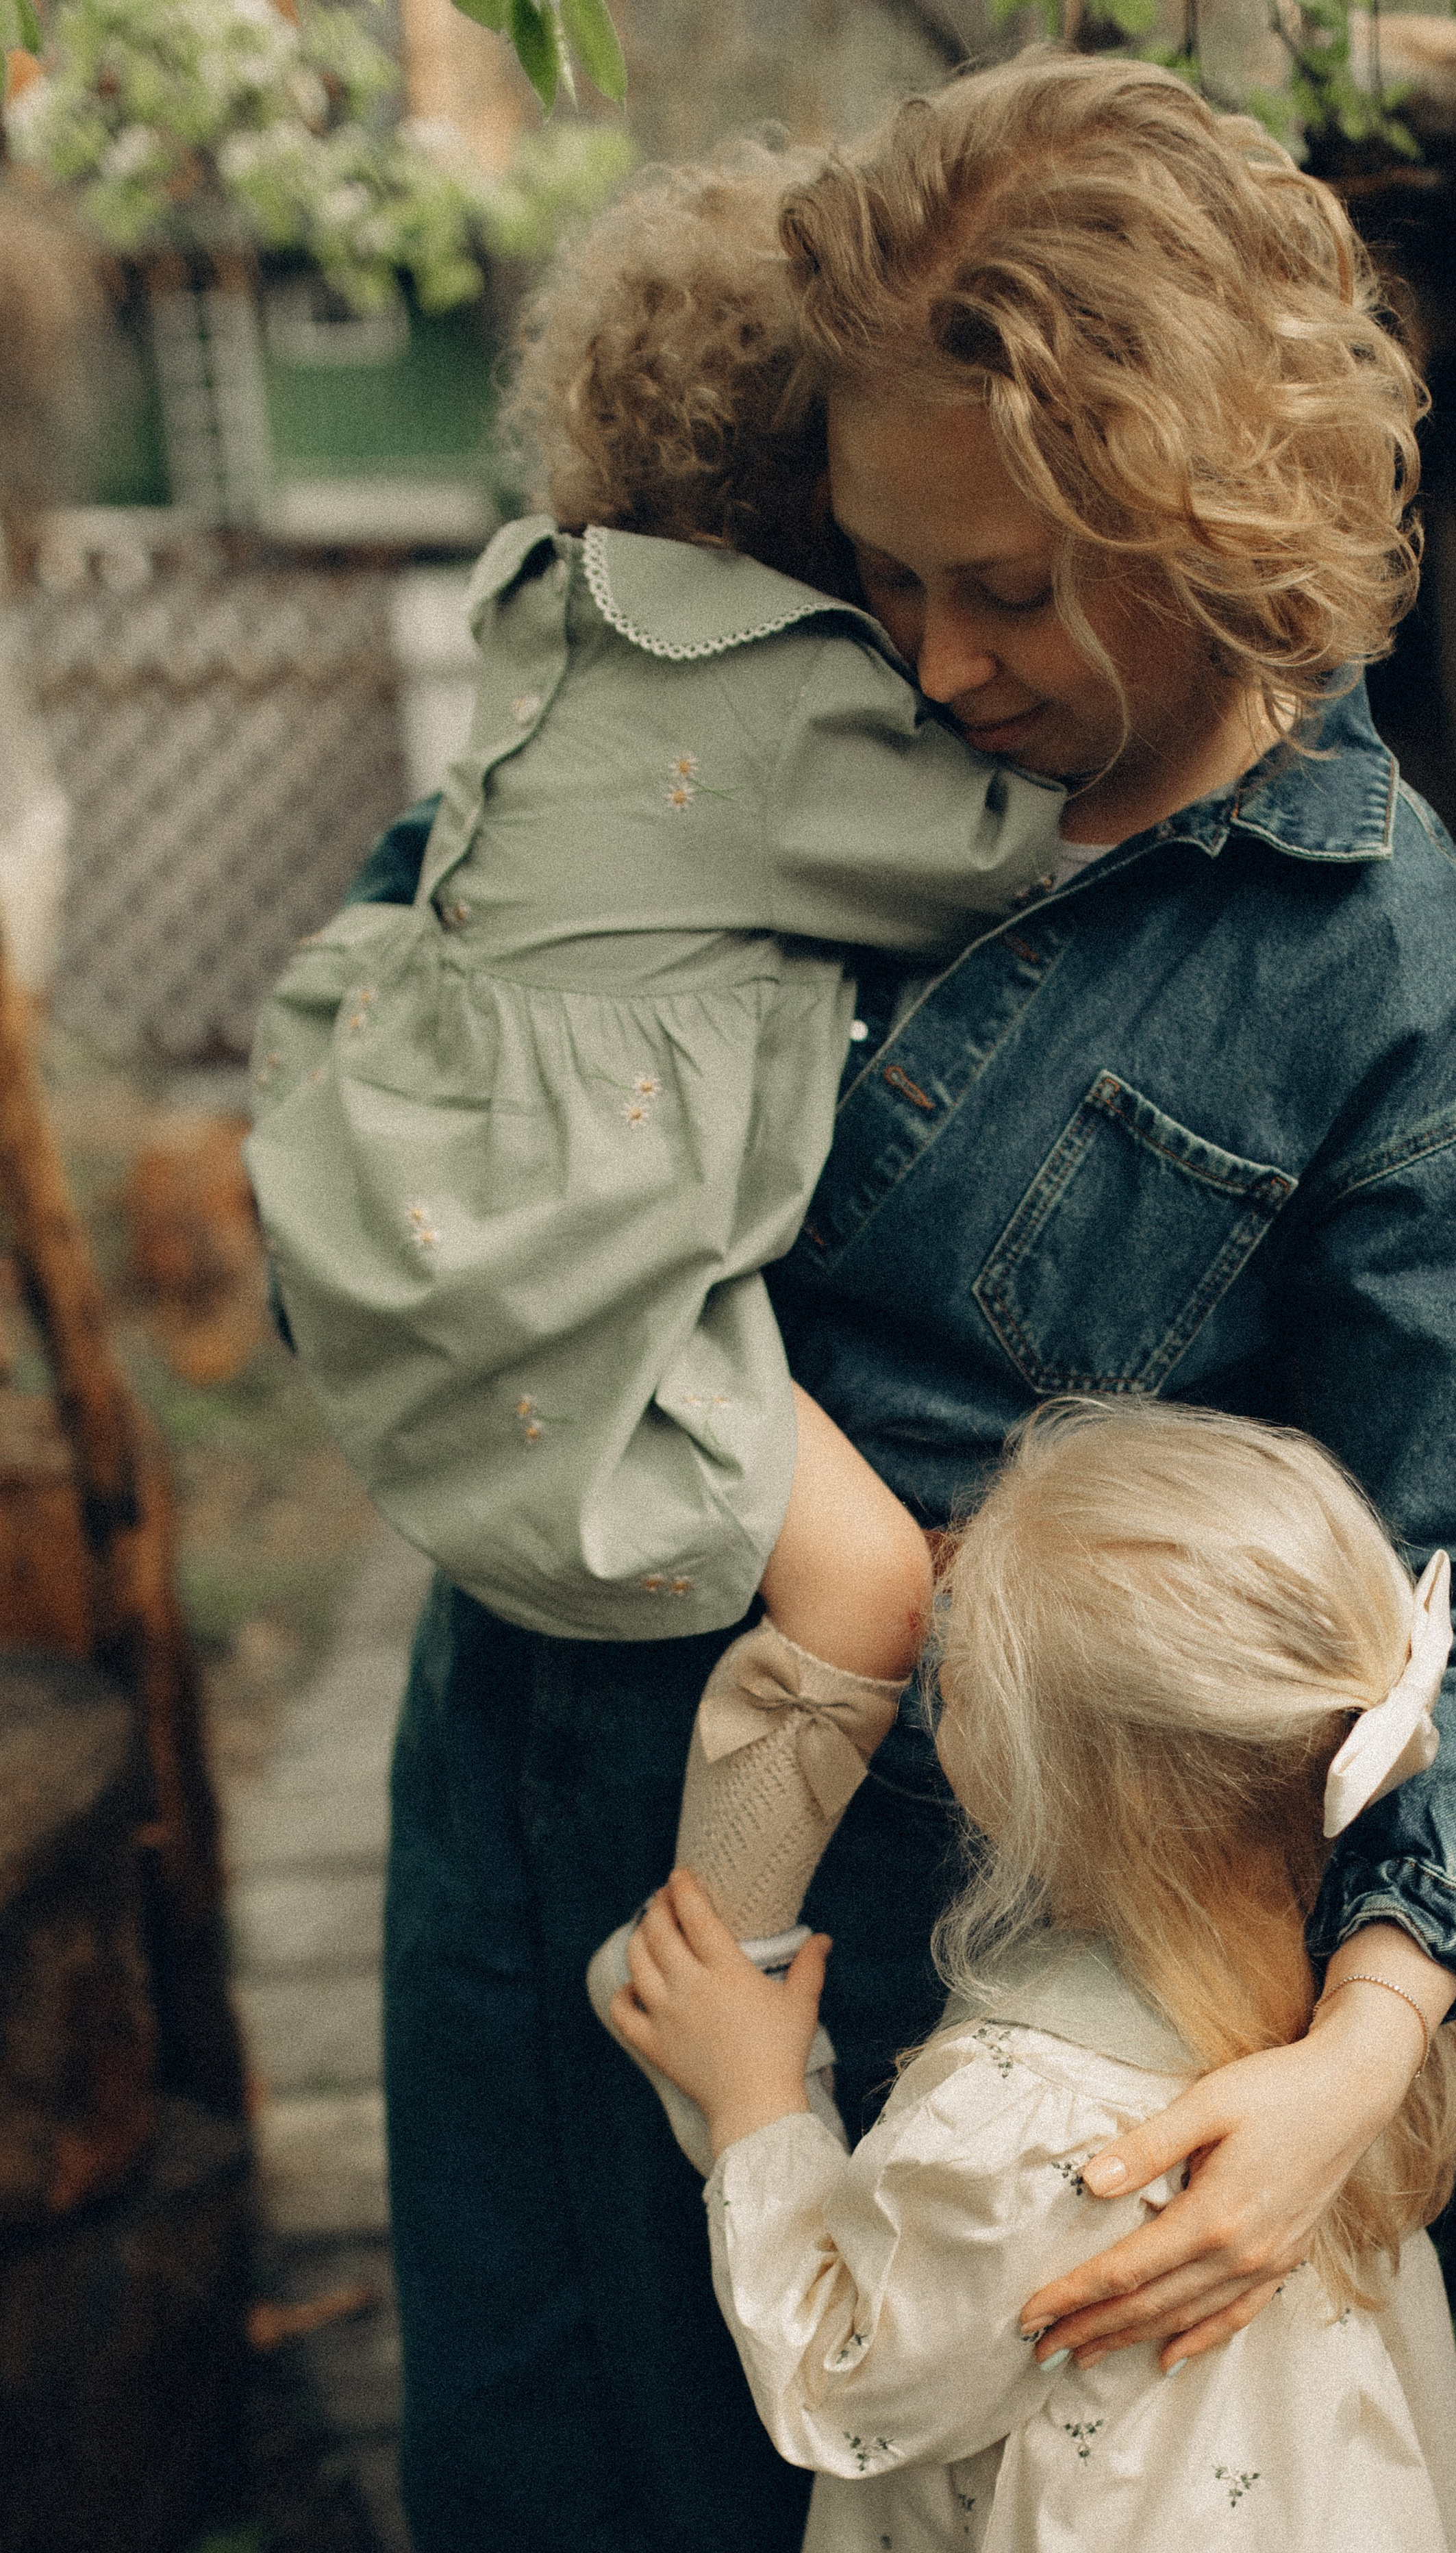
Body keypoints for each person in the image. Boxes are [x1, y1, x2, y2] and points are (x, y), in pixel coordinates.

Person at [366, 54, 1456, 2553]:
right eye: (881, 570)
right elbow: (431, 1013)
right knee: (528, 2506)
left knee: (841, 2551)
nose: (933, 658)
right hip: (522, 1763)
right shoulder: (756, 688)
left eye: (1017, 589)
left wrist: (1360, 2053)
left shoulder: (1395, 992)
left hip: (944, 1968)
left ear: (1218, 510)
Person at [244, 153, 1066, 2163]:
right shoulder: (791, 703)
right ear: (843, 495)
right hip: (585, 1248)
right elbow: (1007, 857)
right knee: (866, 1585)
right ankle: (712, 1962)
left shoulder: (543, 597)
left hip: (418, 1154)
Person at [614, 1398, 1456, 2553]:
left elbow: (847, 2381)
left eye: (965, 1682)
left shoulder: (1032, 2124)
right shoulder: (1349, 1994)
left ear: (1061, 1789)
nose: (939, 1702)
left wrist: (758, 2103)